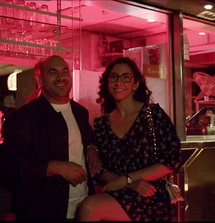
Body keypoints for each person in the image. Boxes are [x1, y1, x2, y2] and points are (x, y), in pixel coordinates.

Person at [77, 57, 181, 221]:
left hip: (150, 192)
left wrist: (129, 178)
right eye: (114, 77)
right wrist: (127, 183)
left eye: (126, 77)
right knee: (89, 205)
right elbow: (100, 170)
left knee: (89, 206)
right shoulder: (101, 124)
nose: (119, 82)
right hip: (119, 190)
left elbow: (171, 160)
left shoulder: (153, 115)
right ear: (108, 82)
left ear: (136, 84)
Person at [0, 55, 101, 221]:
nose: (61, 77)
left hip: (84, 208)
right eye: (53, 72)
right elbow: (9, 166)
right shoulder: (23, 117)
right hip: (43, 211)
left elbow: (88, 139)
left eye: (65, 71)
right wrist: (56, 167)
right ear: (41, 80)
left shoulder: (80, 112)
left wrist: (91, 148)